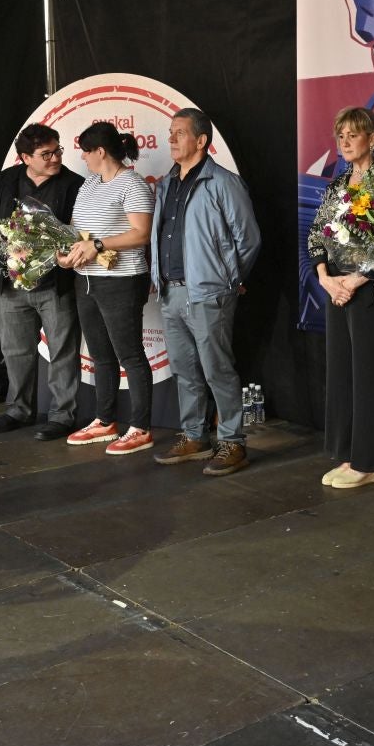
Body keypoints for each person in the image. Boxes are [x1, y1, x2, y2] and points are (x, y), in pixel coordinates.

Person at [149, 108, 261, 477]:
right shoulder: (167, 184)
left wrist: (228, 278)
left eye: (179, 132)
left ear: (200, 141)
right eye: (170, 132)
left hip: (208, 292)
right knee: (184, 368)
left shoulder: (222, 182)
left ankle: (232, 441)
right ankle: (195, 436)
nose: (171, 139)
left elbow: (248, 239)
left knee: (217, 369)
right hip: (171, 291)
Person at [0, 124, 83, 440]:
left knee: (63, 350)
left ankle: (63, 416)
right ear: (25, 157)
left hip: (55, 283)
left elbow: (82, 231)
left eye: (57, 150)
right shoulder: (5, 181)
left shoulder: (74, 184)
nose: (55, 157)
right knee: (15, 350)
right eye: (46, 153)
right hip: (10, 283)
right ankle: (19, 410)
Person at [306, 107, 374, 488]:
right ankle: (347, 456)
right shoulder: (337, 184)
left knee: (367, 376)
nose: (344, 142)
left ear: (372, 139)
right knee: (342, 373)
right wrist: (326, 279)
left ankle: (368, 462)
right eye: (339, 135)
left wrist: (355, 281)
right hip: (336, 291)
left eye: (353, 135)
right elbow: (316, 236)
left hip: (369, 292)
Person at [59, 122, 156, 455]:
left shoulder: (133, 185)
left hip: (122, 281)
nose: (82, 158)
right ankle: (105, 421)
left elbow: (141, 234)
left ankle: (141, 428)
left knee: (130, 355)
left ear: (100, 151)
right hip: (86, 279)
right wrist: (66, 252)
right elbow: (77, 230)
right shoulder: (88, 184)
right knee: (101, 355)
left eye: (86, 151)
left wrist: (98, 245)